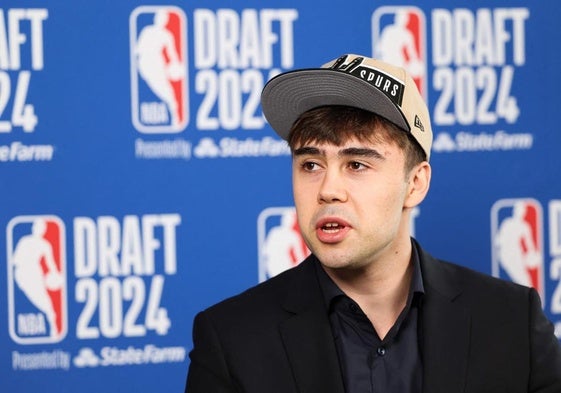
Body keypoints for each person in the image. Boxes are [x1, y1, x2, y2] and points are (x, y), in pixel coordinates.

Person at [185, 54, 561, 393]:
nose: (328, 190)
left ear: (415, 184)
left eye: (357, 164)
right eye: (310, 165)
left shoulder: (512, 321)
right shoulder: (231, 338)